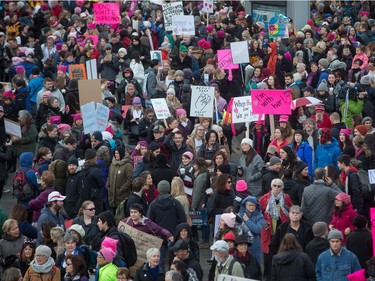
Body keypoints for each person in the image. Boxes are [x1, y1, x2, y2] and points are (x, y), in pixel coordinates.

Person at [147, 180, 186, 270]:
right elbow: (182, 219)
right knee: (173, 260)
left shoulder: (154, 204)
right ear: (169, 189)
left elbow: (149, 221)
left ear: (158, 189)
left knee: (158, 260)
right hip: (173, 236)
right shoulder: (175, 203)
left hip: (158, 236)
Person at [259, 178, 293, 281]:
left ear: (282, 187)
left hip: (282, 231)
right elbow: (258, 212)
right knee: (268, 257)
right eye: (274, 185)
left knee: (282, 253)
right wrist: (263, 220)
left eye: (279, 186)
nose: (276, 188)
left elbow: (291, 209)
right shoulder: (264, 198)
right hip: (269, 231)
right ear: (271, 186)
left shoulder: (286, 197)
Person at [237, 196, 264, 263]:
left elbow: (257, 230)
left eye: (253, 205)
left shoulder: (259, 216)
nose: (251, 207)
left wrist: (247, 220)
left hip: (254, 244)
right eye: (249, 205)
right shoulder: (240, 215)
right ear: (245, 205)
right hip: (242, 243)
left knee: (255, 265)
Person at [107, 147, 133, 213]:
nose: (116, 155)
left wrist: (122, 189)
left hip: (123, 196)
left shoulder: (128, 165)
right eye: (115, 153)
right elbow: (109, 176)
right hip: (112, 196)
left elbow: (130, 179)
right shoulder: (112, 164)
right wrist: (108, 185)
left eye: (118, 153)